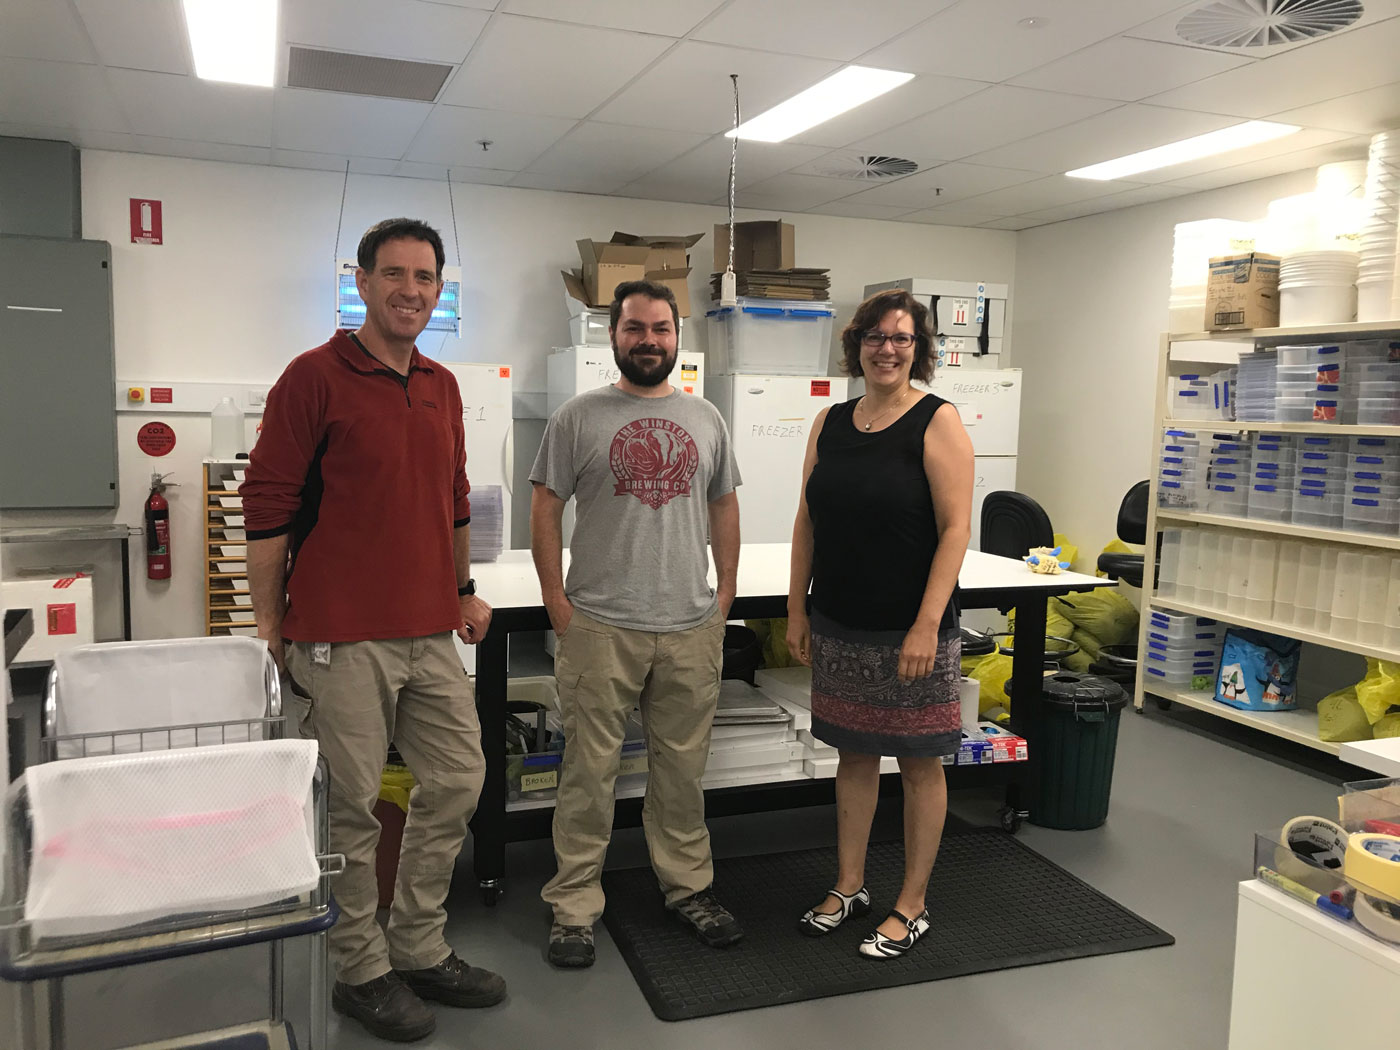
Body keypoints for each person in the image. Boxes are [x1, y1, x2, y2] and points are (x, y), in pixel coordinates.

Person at [243, 218, 505, 1043]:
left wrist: (463, 589)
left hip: (430, 628)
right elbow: (268, 505)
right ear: (360, 281)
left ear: (439, 288)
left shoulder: (441, 384)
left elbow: (455, 500)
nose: (411, 290)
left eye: (425, 277)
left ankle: (419, 944)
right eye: (393, 274)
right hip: (340, 633)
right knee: (352, 808)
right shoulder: (312, 378)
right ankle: (360, 970)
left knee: (460, 778)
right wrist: (264, 622)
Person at [530, 279, 743, 968]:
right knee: (586, 775)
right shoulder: (577, 418)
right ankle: (572, 907)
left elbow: (725, 507)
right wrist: (555, 601)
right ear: (613, 336)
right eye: (634, 329)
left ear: (677, 337)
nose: (648, 340)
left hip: (688, 623)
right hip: (599, 625)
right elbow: (544, 509)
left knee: (681, 774)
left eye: (660, 329)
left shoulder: (707, 417)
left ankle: (688, 890)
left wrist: (726, 592)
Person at [785, 288, 974, 959]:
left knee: (920, 763)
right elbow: (808, 520)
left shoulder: (937, 420)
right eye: (875, 337)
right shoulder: (829, 422)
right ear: (856, 345)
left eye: (901, 339)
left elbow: (955, 529)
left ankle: (912, 904)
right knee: (854, 756)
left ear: (918, 349)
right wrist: (796, 607)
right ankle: (849, 885)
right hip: (840, 621)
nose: (886, 349)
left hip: (910, 630)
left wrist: (926, 625)